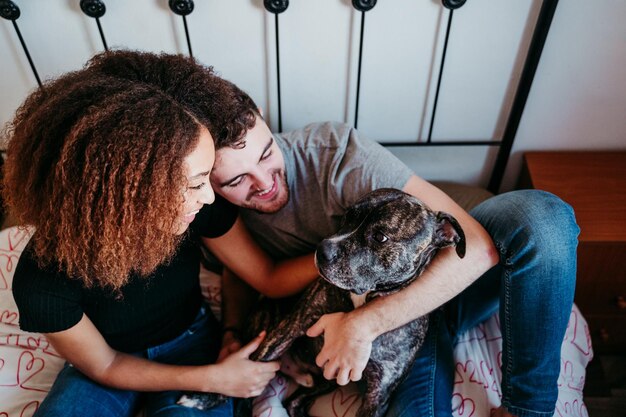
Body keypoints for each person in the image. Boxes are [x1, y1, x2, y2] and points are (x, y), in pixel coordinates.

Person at [86, 51, 579, 417]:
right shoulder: (202, 207)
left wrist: (363, 324)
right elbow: (245, 275)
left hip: (450, 283)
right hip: (403, 335)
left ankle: (526, 409)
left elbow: (477, 249)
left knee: (546, 220)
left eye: (265, 153)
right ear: (202, 181)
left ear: (263, 122)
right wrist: (234, 332)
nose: (265, 183)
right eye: (236, 181)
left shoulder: (337, 155)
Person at [1, 53, 324, 417]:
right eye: (195, 184)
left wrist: (339, 255)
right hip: (105, 363)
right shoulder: (41, 281)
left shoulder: (198, 211)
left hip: (192, 340)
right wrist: (212, 380)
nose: (208, 196)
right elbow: (104, 365)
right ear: (129, 194)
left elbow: (266, 277)